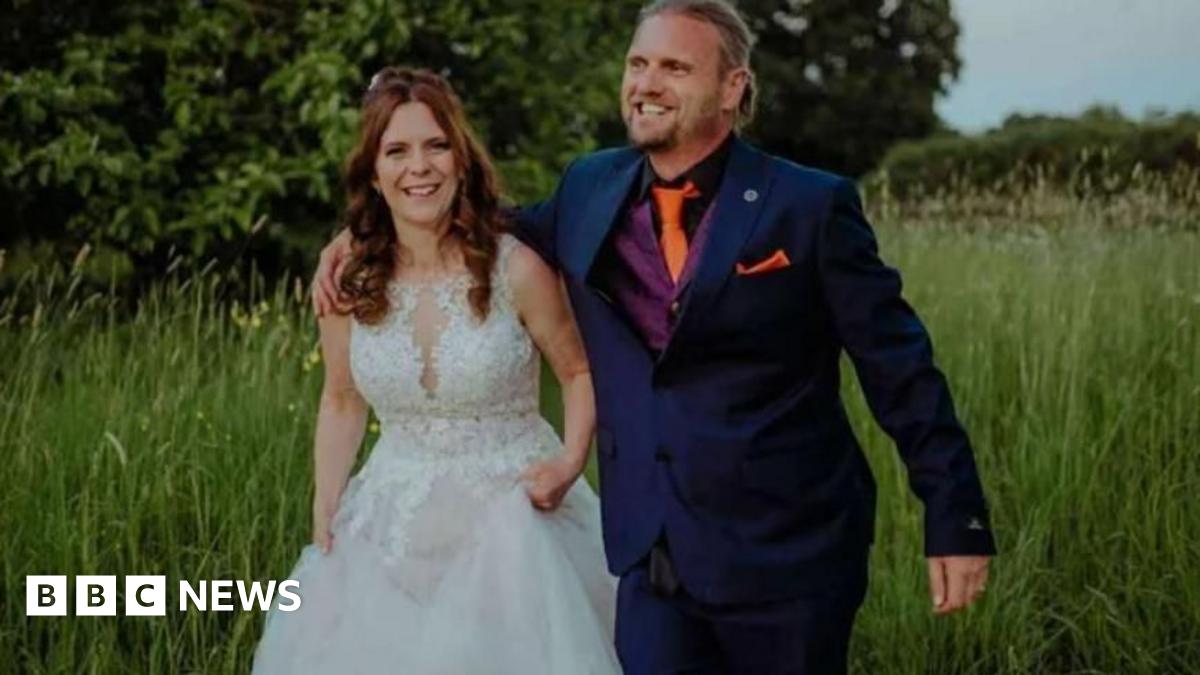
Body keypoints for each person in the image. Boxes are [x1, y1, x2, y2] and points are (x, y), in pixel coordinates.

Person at [314, 2, 997, 673]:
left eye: (674, 67)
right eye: (638, 63)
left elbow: (901, 370)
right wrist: (361, 234)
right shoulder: (590, 187)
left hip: (786, 558)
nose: (646, 83)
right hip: (649, 556)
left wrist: (955, 514)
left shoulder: (809, 207)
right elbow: (475, 215)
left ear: (733, 87)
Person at [254, 66, 621, 673]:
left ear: (461, 158)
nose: (418, 167)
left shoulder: (516, 267)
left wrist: (569, 461)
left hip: (516, 531)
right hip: (390, 526)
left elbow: (578, 371)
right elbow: (342, 399)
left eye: (436, 146)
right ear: (374, 173)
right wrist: (327, 502)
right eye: (396, 151)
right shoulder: (350, 280)